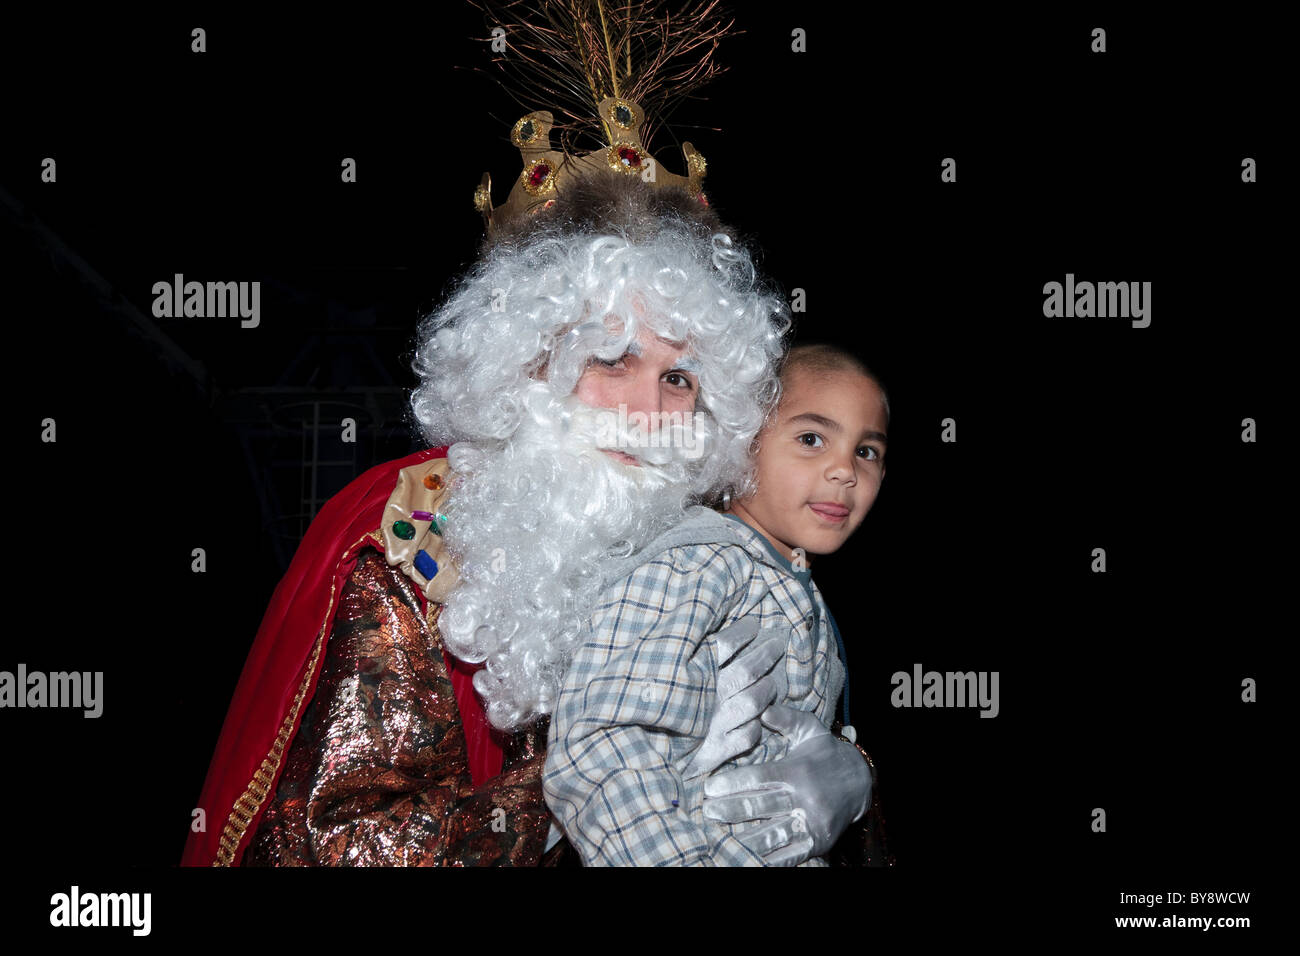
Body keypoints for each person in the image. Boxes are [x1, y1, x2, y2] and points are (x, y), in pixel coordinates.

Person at [544, 343, 894, 865]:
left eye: (866, 452)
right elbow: (604, 744)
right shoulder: (698, 565)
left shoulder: (797, 584)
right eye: (811, 438)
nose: (843, 472)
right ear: (743, 443)